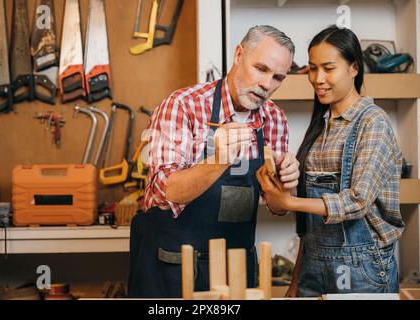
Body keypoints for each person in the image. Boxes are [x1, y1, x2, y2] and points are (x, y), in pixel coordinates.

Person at [128, 25, 300, 298]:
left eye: (278, 77)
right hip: (172, 267)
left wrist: (285, 185)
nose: (267, 84)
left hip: (236, 272)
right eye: (261, 69)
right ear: (239, 55)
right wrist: (218, 160)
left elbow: (277, 207)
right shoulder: (183, 106)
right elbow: (167, 190)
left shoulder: (275, 119)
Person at [257, 25, 405, 297]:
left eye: (328, 68)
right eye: (312, 68)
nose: (317, 78)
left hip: (361, 270)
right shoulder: (321, 126)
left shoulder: (372, 123)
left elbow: (357, 201)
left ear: (354, 68)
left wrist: (289, 202)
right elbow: (309, 228)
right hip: (313, 266)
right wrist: (295, 280)